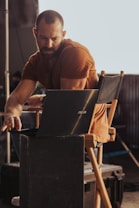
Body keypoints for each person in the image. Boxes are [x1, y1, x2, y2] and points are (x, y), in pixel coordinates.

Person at [1, 10, 110, 207]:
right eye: (43, 38)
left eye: (54, 38)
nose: (49, 44)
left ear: (64, 34)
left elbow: (68, 108)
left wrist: (42, 100)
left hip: (87, 121)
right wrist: (11, 113)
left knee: (43, 124)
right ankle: (34, 186)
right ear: (35, 33)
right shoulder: (35, 62)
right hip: (63, 117)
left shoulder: (74, 53)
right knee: (20, 121)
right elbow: (17, 98)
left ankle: (41, 186)